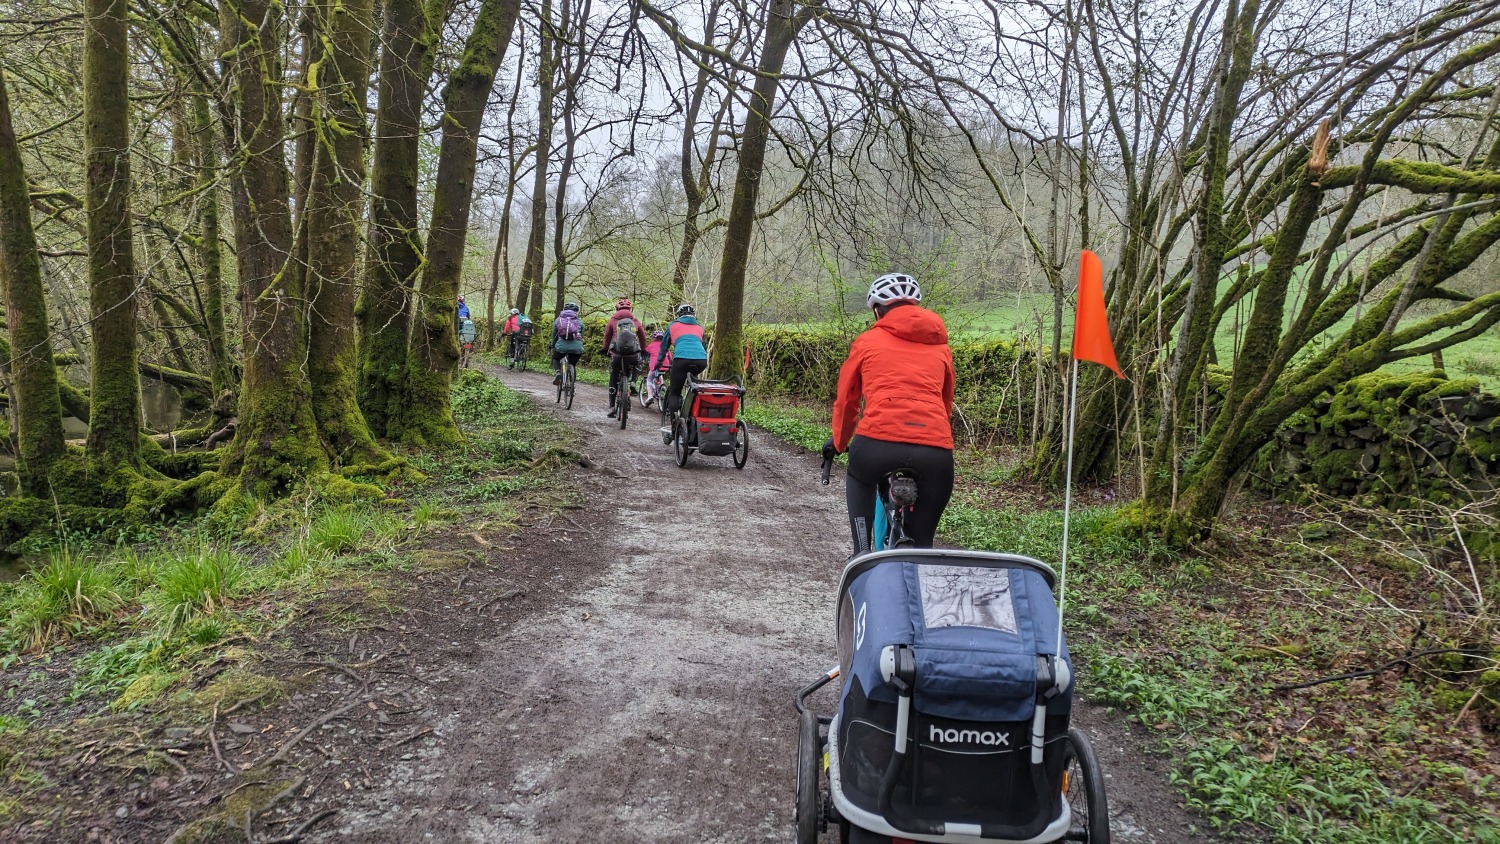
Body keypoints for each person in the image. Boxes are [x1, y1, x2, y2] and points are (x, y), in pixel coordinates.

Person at [822, 273, 955, 556]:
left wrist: (840, 441)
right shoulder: (941, 347)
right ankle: (918, 566)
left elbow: (847, 399)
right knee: (922, 549)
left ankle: (861, 551)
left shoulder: (867, 342)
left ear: (877, 310)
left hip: (877, 443)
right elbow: (945, 402)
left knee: (859, 476)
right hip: (934, 450)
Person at [657, 304, 708, 421]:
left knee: (675, 392)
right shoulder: (700, 328)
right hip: (701, 360)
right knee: (694, 388)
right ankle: (693, 415)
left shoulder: (673, 326)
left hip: (681, 359)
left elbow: (664, 347)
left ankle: (674, 427)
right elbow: (703, 347)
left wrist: (658, 362)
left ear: (679, 315)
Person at [602, 297, 647, 418]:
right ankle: (632, 381)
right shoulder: (635, 320)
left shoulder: (613, 320)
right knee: (637, 363)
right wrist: (643, 350)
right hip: (632, 355)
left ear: (617, 308)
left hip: (617, 355)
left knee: (614, 376)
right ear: (630, 308)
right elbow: (642, 337)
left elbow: (607, 336)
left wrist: (605, 349)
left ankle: (612, 406)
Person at [551, 302, 585, 385]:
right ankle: (572, 384)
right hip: (577, 347)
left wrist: (552, 345)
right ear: (576, 311)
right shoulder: (579, 321)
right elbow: (581, 335)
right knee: (572, 364)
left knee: (555, 359)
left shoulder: (558, 320)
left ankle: (558, 372)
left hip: (561, 346)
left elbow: (554, 335)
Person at [643, 330, 669, 405]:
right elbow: (670, 356)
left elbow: (645, 353)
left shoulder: (651, 345)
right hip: (665, 366)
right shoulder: (665, 346)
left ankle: (650, 396)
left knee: (649, 379)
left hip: (655, 366)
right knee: (660, 375)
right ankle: (662, 387)